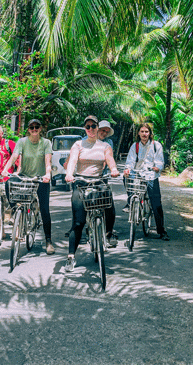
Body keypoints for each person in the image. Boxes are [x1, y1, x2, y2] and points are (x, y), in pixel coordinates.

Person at [64, 115, 121, 272]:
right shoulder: (78, 144)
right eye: (87, 126)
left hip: (98, 181)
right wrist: (70, 174)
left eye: (93, 126)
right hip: (81, 182)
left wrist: (114, 169)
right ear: (85, 128)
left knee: (109, 204)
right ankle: (70, 257)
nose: (90, 129)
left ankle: (108, 235)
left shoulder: (104, 146)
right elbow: (73, 161)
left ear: (97, 128)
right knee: (78, 222)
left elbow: (109, 160)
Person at [2, 119, 56, 254]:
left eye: (37, 127)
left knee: (45, 210)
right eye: (31, 127)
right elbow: (14, 156)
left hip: (41, 179)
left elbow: (48, 161)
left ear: (40, 128)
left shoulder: (46, 143)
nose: (34, 129)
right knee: (9, 183)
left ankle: (48, 241)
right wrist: (6, 169)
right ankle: (15, 210)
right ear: (28, 129)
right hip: (25, 176)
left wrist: (47, 174)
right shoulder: (22, 142)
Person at [123, 123, 169, 240]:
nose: (144, 134)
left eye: (146, 132)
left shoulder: (156, 145)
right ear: (138, 133)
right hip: (138, 173)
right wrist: (127, 169)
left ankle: (161, 230)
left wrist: (158, 167)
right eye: (142, 132)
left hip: (151, 175)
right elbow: (130, 160)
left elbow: (160, 161)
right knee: (126, 178)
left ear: (150, 133)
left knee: (156, 204)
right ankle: (130, 201)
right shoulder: (135, 146)